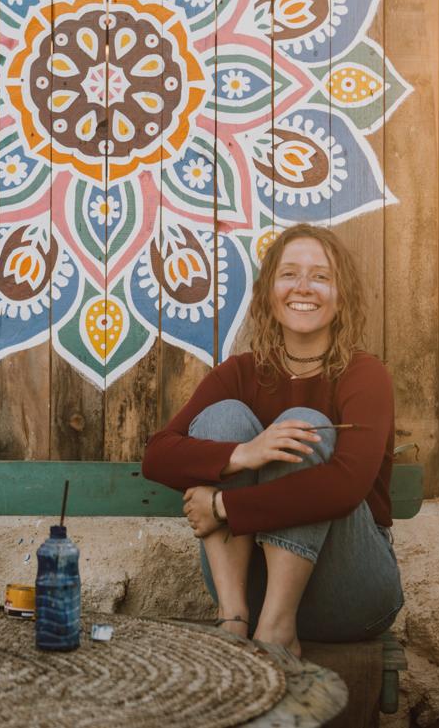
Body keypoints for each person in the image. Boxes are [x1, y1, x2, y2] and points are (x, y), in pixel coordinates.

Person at [141, 223, 403, 656]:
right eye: (289, 274)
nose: (304, 287)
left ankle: (278, 632)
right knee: (223, 419)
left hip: (351, 591)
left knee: (304, 422)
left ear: (342, 296)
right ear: (268, 292)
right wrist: (244, 454)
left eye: (321, 276)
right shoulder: (240, 373)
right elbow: (158, 456)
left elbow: (345, 487)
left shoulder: (363, 375)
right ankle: (233, 620)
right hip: (252, 587)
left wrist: (223, 506)